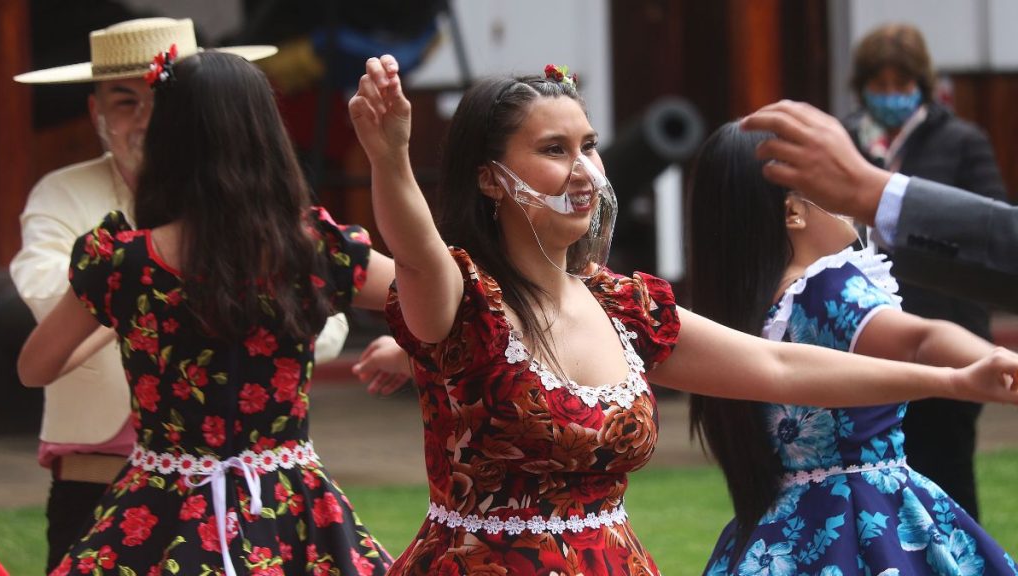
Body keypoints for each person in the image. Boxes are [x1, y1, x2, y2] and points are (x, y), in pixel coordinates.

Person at [348, 55, 1018, 575]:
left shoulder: (625, 305)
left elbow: (778, 366)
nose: (585, 170)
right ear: (492, 177)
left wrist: (952, 381)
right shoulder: (463, 304)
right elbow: (414, 247)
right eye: (555, 150)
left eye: (589, 145)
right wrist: (389, 157)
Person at [17, 50, 394, 576]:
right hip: (288, 510)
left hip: (158, 509)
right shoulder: (313, 251)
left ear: (167, 137)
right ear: (265, 132)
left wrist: (127, 314)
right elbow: (444, 299)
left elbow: (33, 368)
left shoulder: (125, 264)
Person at [689, 122, 1017, 574]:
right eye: (828, 188)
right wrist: (994, 362)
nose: (847, 203)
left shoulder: (746, 313)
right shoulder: (829, 290)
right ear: (793, 213)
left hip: (778, 536)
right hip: (868, 524)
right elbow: (920, 339)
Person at [841, 23, 1008, 520]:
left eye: (902, 85)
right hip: (861, 338)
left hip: (945, 333)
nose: (891, 96)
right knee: (875, 491)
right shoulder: (844, 140)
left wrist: (902, 209)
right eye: (880, 85)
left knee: (948, 483)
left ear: (923, 84)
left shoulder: (960, 140)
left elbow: (989, 228)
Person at [740, 100, 1018, 312]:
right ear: (793, 211)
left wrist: (870, 192)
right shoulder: (835, 294)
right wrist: (956, 376)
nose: (851, 214)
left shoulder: (758, 298)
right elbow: (919, 343)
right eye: (827, 196)